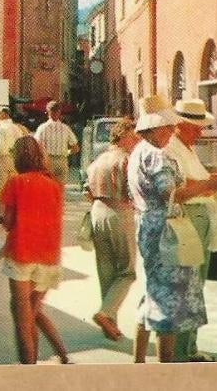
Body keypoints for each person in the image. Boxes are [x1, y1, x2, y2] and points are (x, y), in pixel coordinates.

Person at [128, 94, 217, 364]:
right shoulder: (158, 156)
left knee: (152, 294)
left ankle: (138, 362)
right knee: (168, 301)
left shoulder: (138, 152)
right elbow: (172, 194)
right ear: (158, 128)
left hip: (148, 225)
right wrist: (208, 186)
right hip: (165, 229)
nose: (171, 131)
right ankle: (166, 370)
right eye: (168, 127)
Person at [0, 135, 70, 364]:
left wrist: (2, 218)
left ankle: (28, 373)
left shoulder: (15, 182)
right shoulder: (54, 185)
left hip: (22, 254)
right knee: (33, 312)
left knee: (22, 318)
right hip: (49, 257)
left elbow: (8, 222)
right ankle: (62, 356)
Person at [164, 98, 217, 362]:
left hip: (199, 216)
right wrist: (210, 183)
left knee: (195, 285)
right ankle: (181, 352)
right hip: (187, 218)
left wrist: (209, 183)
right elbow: (180, 191)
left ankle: (189, 348)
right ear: (180, 125)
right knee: (188, 285)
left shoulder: (187, 148)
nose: (200, 132)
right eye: (195, 127)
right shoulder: (171, 149)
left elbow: (195, 183)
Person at [85, 117, 140, 342]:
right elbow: (133, 191)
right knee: (127, 271)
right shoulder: (126, 160)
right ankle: (106, 313)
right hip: (120, 211)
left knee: (105, 268)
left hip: (97, 211)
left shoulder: (99, 159)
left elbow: (87, 191)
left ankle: (110, 323)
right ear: (125, 136)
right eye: (135, 137)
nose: (137, 141)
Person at [0, 106, 27, 221]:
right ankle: (12, 212)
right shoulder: (17, 128)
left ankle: (0, 213)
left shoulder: (1, 128)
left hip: (3, 159)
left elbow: (0, 149)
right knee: (13, 188)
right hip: (15, 159)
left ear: (4, 114)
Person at [35, 100, 79, 187]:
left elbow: (36, 146)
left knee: (47, 187)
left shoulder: (42, 128)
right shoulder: (66, 128)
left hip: (48, 160)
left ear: (47, 112)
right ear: (59, 112)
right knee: (60, 188)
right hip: (62, 160)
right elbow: (76, 148)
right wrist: (66, 153)